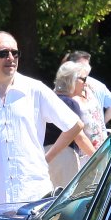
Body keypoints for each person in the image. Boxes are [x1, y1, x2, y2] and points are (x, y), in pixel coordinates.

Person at [0, 31, 92, 209]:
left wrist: (46, 157)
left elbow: (75, 125)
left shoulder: (35, 89)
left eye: (15, 53)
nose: (11, 58)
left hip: (35, 199)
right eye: (3, 53)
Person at [46, 61, 97, 189]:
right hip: (64, 158)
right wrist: (98, 158)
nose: (86, 83)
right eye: (83, 79)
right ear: (72, 80)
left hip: (44, 155)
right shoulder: (70, 103)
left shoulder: (49, 99)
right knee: (65, 198)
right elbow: (79, 137)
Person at [63, 50, 111, 130]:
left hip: (79, 133)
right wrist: (101, 125)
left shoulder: (69, 84)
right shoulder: (99, 85)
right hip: (98, 134)